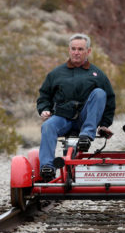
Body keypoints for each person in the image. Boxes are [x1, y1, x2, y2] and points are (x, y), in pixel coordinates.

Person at [36, 33, 115, 181]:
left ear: (88, 51)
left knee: (99, 93)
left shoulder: (98, 74)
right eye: (73, 49)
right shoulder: (56, 73)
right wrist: (44, 109)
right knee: (48, 126)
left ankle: (86, 137)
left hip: (86, 120)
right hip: (63, 118)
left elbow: (109, 100)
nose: (76, 52)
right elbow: (44, 95)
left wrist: (104, 124)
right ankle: (47, 167)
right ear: (69, 50)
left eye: (80, 49)